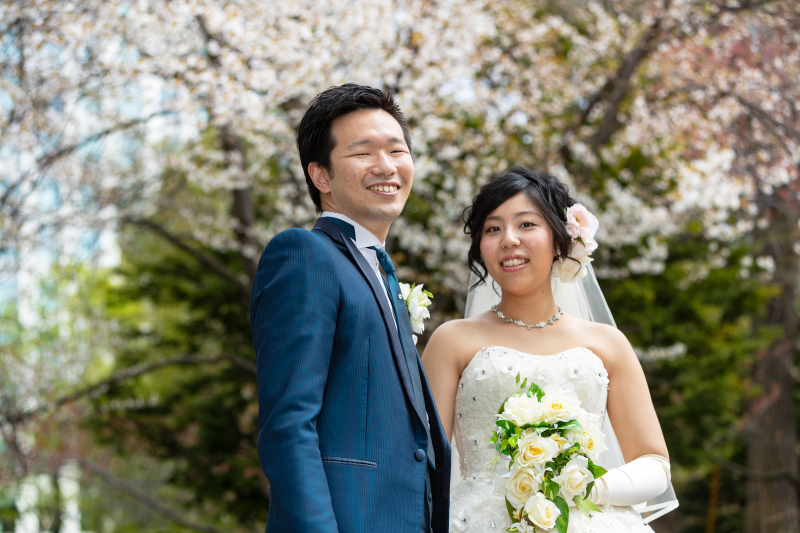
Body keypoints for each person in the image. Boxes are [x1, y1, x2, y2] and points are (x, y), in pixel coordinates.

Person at [422, 168, 674, 532]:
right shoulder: (452, 340)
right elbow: (426, 464)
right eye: (493, 229)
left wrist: (588, 486)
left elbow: (654, 463)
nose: (509, 240)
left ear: (560, 239)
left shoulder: (608, 344)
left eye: (526, 224)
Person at [250, 83, 451, 533]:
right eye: (363, 153)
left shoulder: (381, 271)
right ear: (321, 176)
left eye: (397, 150)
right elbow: (289, 425)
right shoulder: (305, 254)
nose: (386, 166)